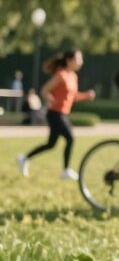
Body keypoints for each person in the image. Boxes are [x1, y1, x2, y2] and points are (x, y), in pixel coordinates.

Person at [16, 50, 96, 180]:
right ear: (69, 61)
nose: (81, 62)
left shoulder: (73, 76)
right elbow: (45, 90)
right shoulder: (61, 75)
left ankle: (24, 158)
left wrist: (86, 96)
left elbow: (73, 96)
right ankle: (66, 170)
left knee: (51, 144)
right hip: (55, 113)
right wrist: (50, 98)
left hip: (63, 113)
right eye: (78, 59)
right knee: (70, 138)